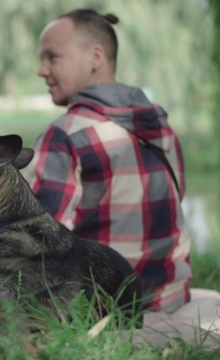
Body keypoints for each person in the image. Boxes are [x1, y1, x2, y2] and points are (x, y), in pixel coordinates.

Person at [25, 8, 191, 313]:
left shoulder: (64, 135)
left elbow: (39, 247)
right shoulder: (162, 127)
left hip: (103, 310)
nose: (41, 70)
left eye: (52, 57)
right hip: (169, 301)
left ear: (96, 57)